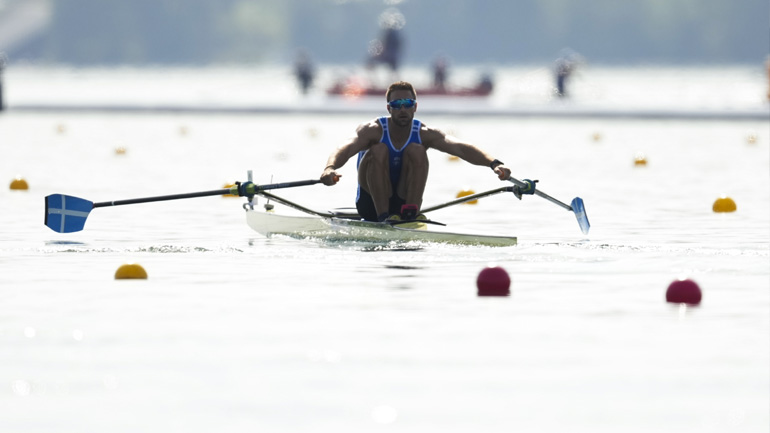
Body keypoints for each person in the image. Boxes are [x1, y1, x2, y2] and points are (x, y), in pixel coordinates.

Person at [320, 81, 528, 222]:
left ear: (415, 107)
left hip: (402, 200)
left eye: (407, 104)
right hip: (370, 205)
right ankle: (383, 217)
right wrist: (330, 168)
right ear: (388, 108)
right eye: (397, 104)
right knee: (379, 150)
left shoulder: (424, 133)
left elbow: (461, 148)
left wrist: (495, 164)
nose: (402, 109)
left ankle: (410, 213)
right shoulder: (372, 130)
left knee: (417, 150)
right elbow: (345, 147)